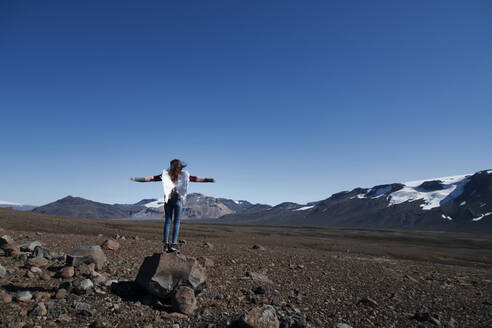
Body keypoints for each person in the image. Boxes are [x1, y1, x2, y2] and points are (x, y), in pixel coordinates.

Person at [130, 159, 215, 253]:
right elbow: (198, 179)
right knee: (177, 223)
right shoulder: (184, 175)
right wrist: (210, 180)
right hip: (178, 200)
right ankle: (174, 245)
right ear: (180, 166)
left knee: (168, 222)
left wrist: (136, 179)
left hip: (168, 200)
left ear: (171, 166)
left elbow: (150, 179)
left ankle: (166, 245)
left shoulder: (166, 175)